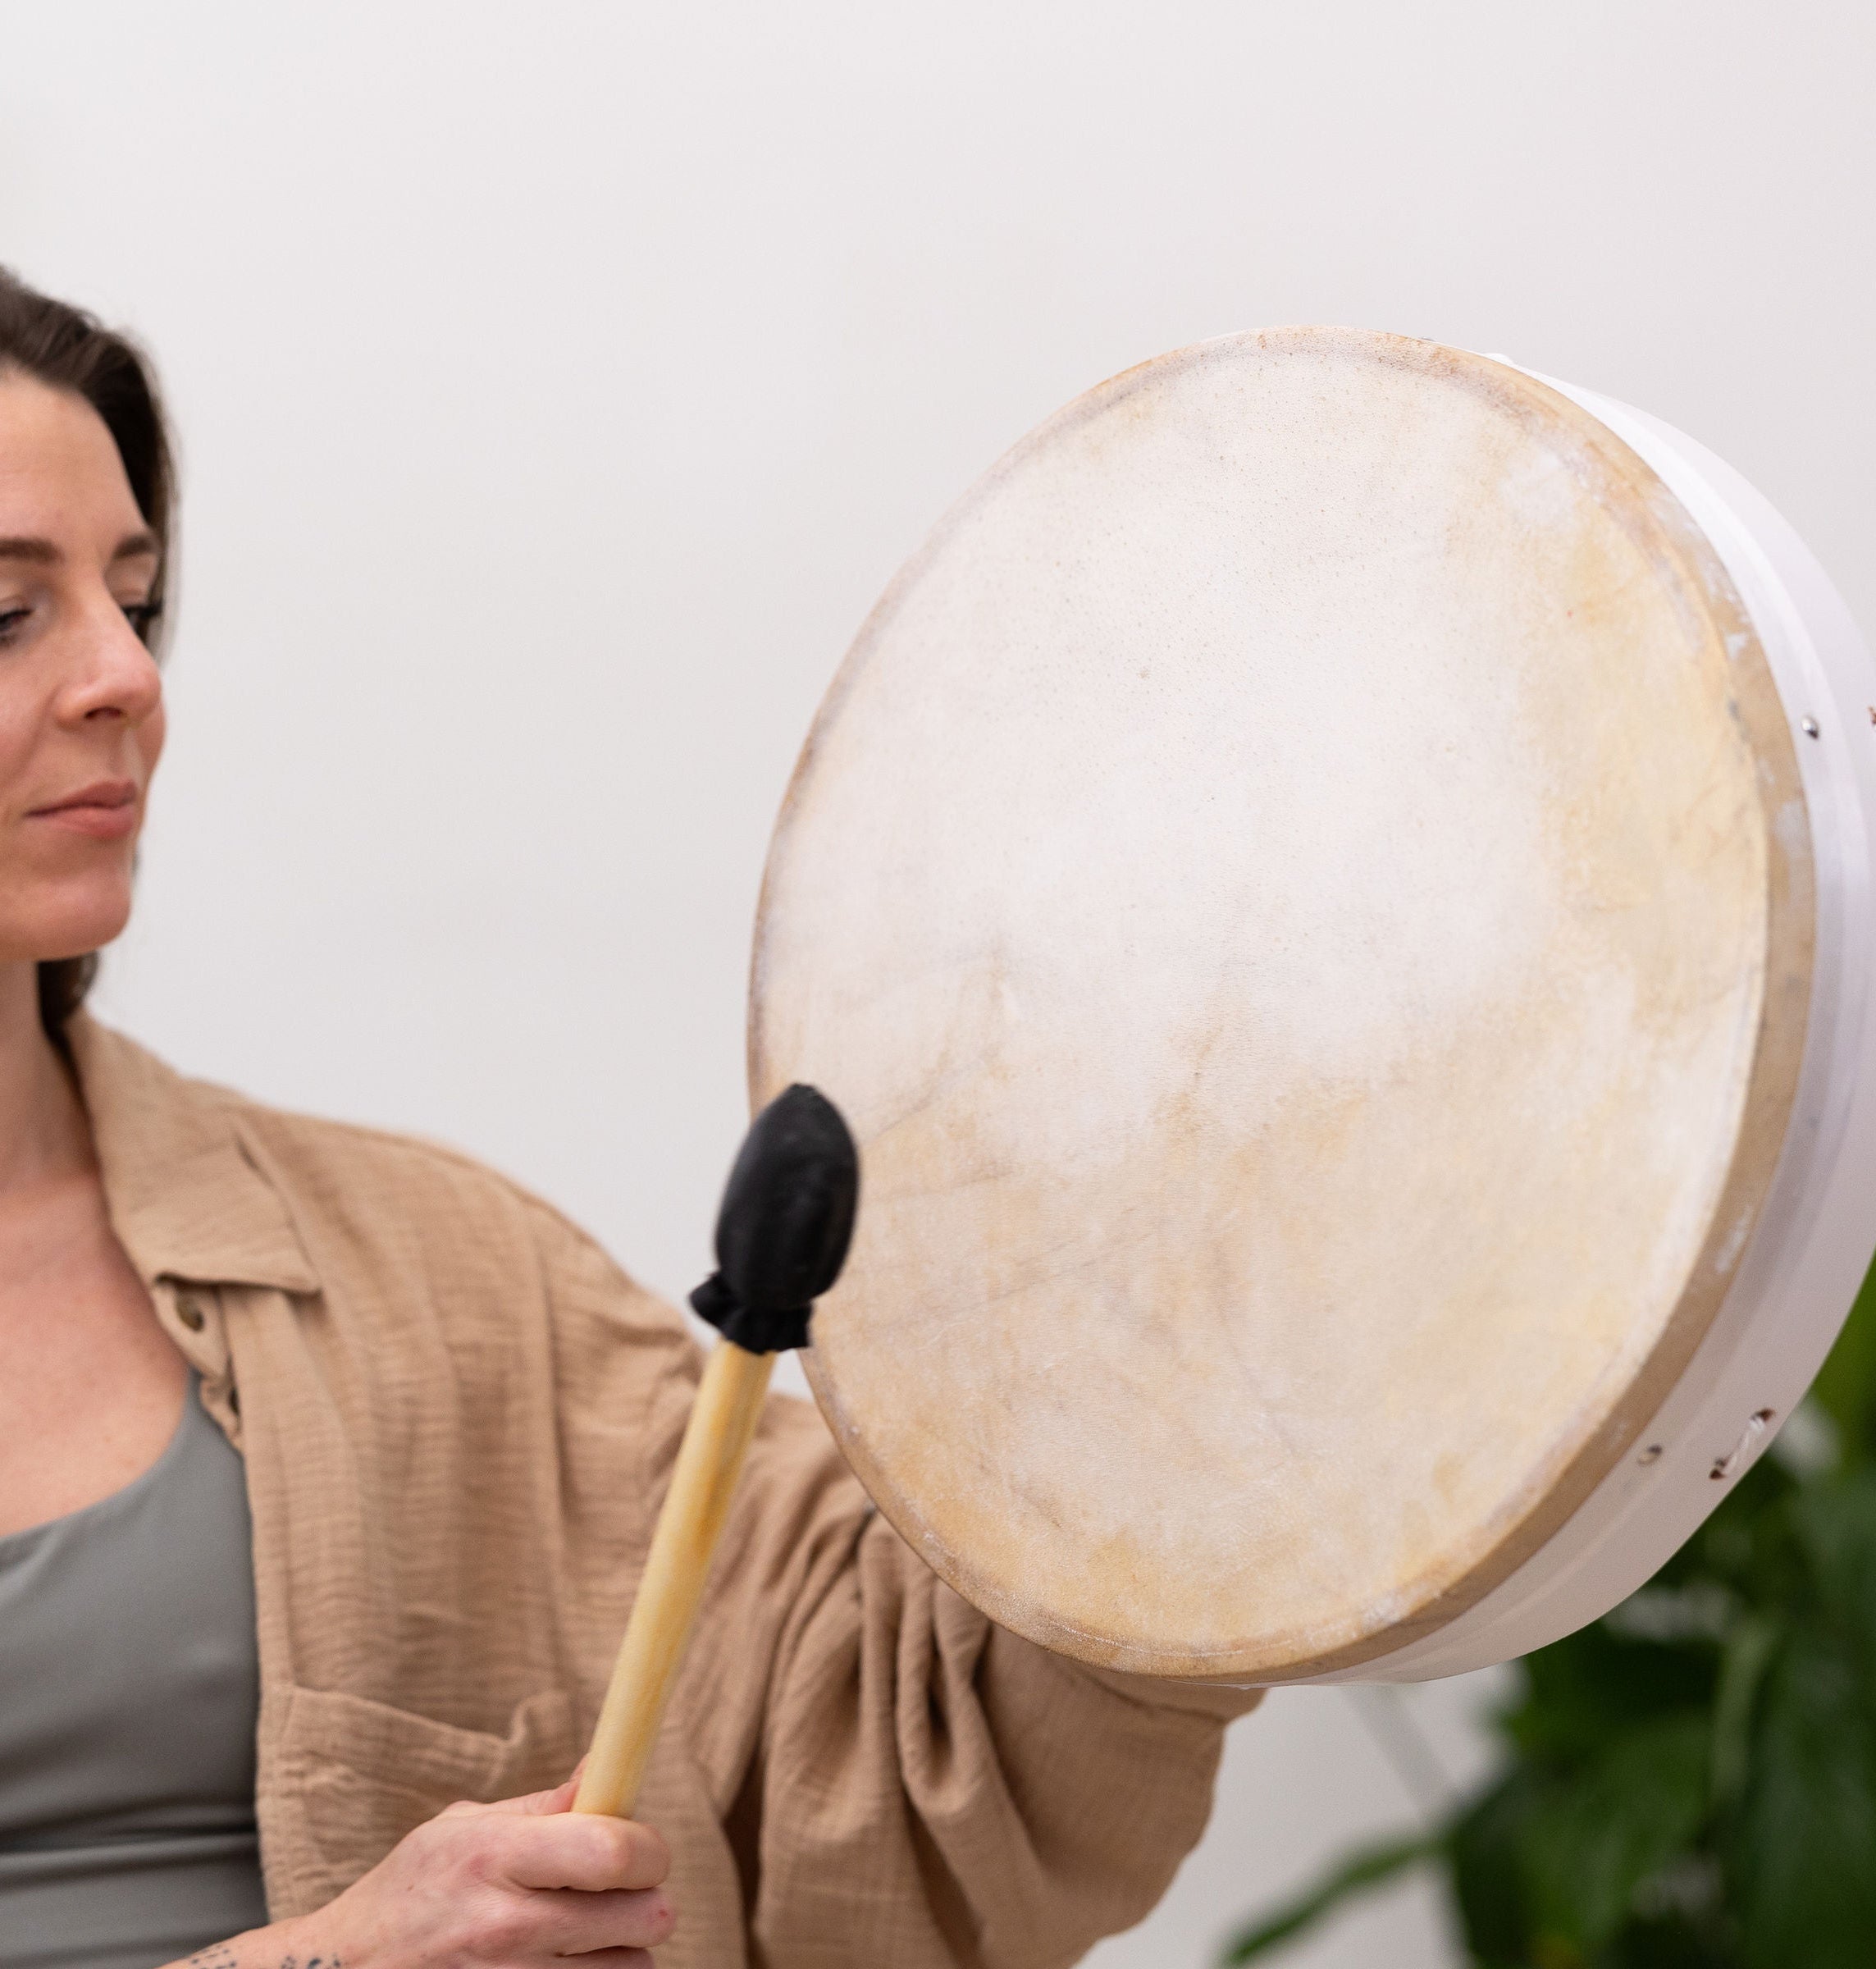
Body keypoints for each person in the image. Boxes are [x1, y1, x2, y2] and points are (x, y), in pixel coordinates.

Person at [0, 267, 1257, 1969]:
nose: (124, 680)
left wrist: (1198, 1288)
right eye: (10, 611)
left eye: (134, 602)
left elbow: (892, 1723)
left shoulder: (429, 1286)